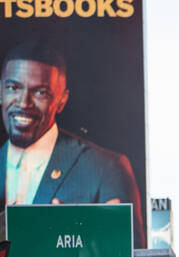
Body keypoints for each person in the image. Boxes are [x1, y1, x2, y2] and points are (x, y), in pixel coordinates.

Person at [0, 42, 144, 242]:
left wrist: (73, 240)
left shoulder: (105, 168)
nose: (24, 102)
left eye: (40, 92)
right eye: (13, 88)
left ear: (61, 100)